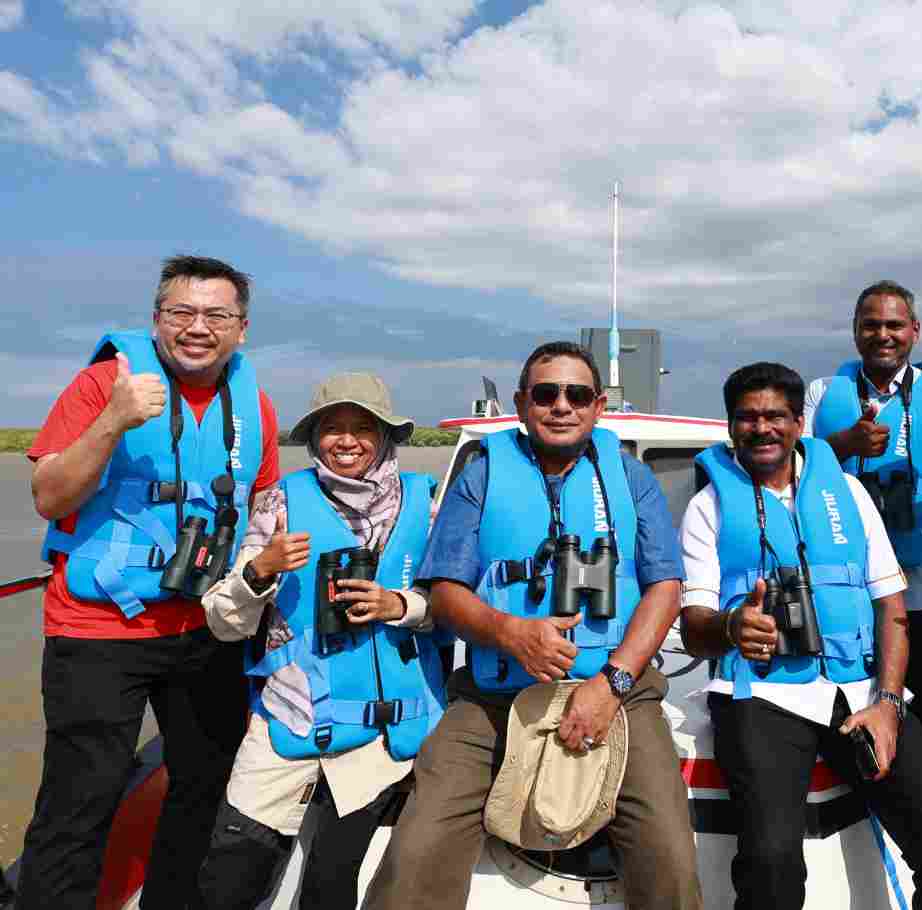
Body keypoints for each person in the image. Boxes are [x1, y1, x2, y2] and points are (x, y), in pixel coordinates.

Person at [364, 342, 702, 910]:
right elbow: (445, 593)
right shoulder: (481, 475)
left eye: (577, 395)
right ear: (522, 404)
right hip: (494, 696)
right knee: (415, 854)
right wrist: (511, 634)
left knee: (669, 855)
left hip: (618, 691)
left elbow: (666, 588)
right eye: (546, 394)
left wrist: (611, 686)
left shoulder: (632, 478)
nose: (561, 406)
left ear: (598, 407)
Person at [20, 255, 280, 909]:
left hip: (205, 630)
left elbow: (266, 513)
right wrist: (113, 420)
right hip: (98, 627)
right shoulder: (104, 383)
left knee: (204, 786)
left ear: (241, 329)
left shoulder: (256, 407)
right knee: (81, 798)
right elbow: (49, 498)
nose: (198, 327)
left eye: (216, 314)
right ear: (156, 320)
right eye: (181, 312)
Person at [679, 361, 922, 910]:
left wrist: (890, 702)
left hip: (863, 692)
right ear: (730, 427)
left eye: (775, 416)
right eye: (746, 418)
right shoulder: (708, 508)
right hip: (762, 698)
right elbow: (695, 628)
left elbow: (891, 605)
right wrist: (732, 626)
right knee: (770, 865)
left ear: (799, 422)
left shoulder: (847, 493)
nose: (761, 428)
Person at [192, 373, 447, 909]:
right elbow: (223, 622)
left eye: (363, 428)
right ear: (313, 438)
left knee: (331, 883)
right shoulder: (278, 504)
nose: (347, 441)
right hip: (290, 716)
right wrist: (259, 571)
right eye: (333, 428)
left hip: (380, 736)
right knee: (227, 878)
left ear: (386, 436)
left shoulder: (428, 505)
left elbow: (455, 607)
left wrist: (399, 605)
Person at [807, 279, 922, 804]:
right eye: (871, 325)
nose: (882, 335)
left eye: (893, 325)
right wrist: (842, 444)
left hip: (918, 595)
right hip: (836, 595)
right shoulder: (822, 397)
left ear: (914, 330)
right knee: (835, 707)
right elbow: (783, 467)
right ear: (855, 332)